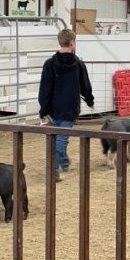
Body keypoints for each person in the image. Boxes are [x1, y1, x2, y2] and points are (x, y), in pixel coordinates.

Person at [38, 28, 95, 181]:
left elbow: (44, 89)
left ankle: (63, 161)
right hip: (70, 108)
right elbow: (85, 86)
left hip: (53, 109)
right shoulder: (79, 65)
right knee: (61, 139)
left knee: (59, 137)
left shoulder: (49, 64)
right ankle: (54, 173)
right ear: (72, 43)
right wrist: (90, 100)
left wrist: (43, 110)